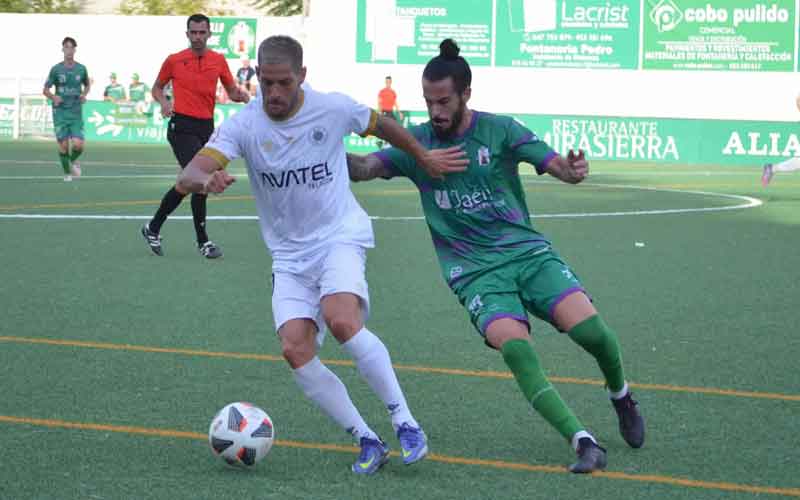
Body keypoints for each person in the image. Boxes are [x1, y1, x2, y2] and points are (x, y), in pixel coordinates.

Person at [346, 39, 645, 474]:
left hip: (527, 254)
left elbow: (558, 166)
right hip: (474, 272)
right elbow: (367, 167)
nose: (435, 111)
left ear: (466, 94)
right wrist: (322, 148)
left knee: (595, 334)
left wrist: (572, 170)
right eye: (429, 102)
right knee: (516, 349)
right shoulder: (419, 148)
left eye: (444, 101)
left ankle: (621, 396)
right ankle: (583, 441)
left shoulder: (501, 130)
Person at [174, 35, 467, 475]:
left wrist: (423, 157)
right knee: (295, 349)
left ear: (302, 77)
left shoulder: (330, 108)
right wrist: (205, 182)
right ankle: (366, 438)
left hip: (338, 236)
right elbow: (188, 175)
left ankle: (405, 421)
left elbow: (381, 124)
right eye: (266, 83)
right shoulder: (244, 125)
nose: (274, 93)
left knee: (343, 319)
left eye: (284, 83)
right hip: (289, 257)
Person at [140, 13, 250, 259]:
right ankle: (203, 242)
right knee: (201, 180)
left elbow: (230, 90)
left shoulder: (218, 60)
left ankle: (153, 227)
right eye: (193, 32)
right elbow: (157, 88)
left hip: (206, 128)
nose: (198, 37)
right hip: (181, 127)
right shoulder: (175, 60)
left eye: (202, 32)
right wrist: (164, 102)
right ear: (187, 34)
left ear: (209, 34)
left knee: (189, 184)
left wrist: (240, 95)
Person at [43, 36, 90, 182]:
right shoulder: (56, 69)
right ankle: (67, 173)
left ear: (75, 50)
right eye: (66, 47)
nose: (69, 50)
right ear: (62, 49)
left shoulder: (81, 69)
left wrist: (83, 94)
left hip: (75, 112)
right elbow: (45, 89)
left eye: (71, 47)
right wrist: (54, 97)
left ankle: (72, 161)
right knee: (63, 146)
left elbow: (87, 85)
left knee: (79, 145)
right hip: (61, 113)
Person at [376, 76, 403, 148]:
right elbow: (379, 102)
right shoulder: (382, 91)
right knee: (383, 128)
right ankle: (381, 142)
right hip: (383, 112)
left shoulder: (393, 92)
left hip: (390, 112)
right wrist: (379, 112)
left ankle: (389, 143)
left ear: (391, 82)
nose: (388, 83)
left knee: (394, 127)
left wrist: (399, 112)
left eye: (389, 82)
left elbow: (395, 102)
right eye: (386, 82)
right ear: (385, 82)